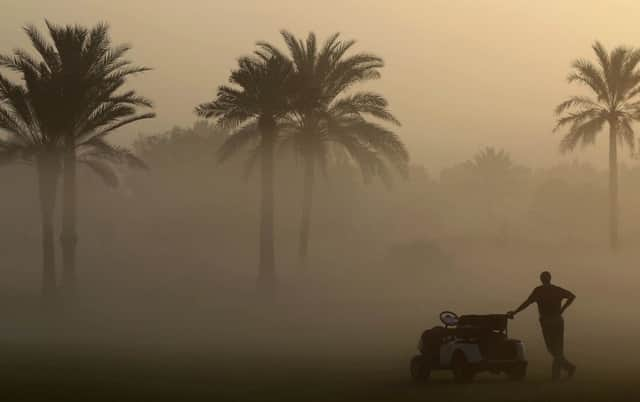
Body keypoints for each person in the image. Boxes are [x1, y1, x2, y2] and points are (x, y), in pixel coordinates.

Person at [507, 271, 576, 381]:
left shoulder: (539, 291)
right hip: (557, 320)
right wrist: (563, 309)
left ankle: (559, 374)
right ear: (550, 278)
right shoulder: (556, 289)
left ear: (541, 279)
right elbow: (572, 296)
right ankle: (566, 370)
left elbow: (527, 303)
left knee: (552, 348)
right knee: (557, 348)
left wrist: (514, 312)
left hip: (547, 321)